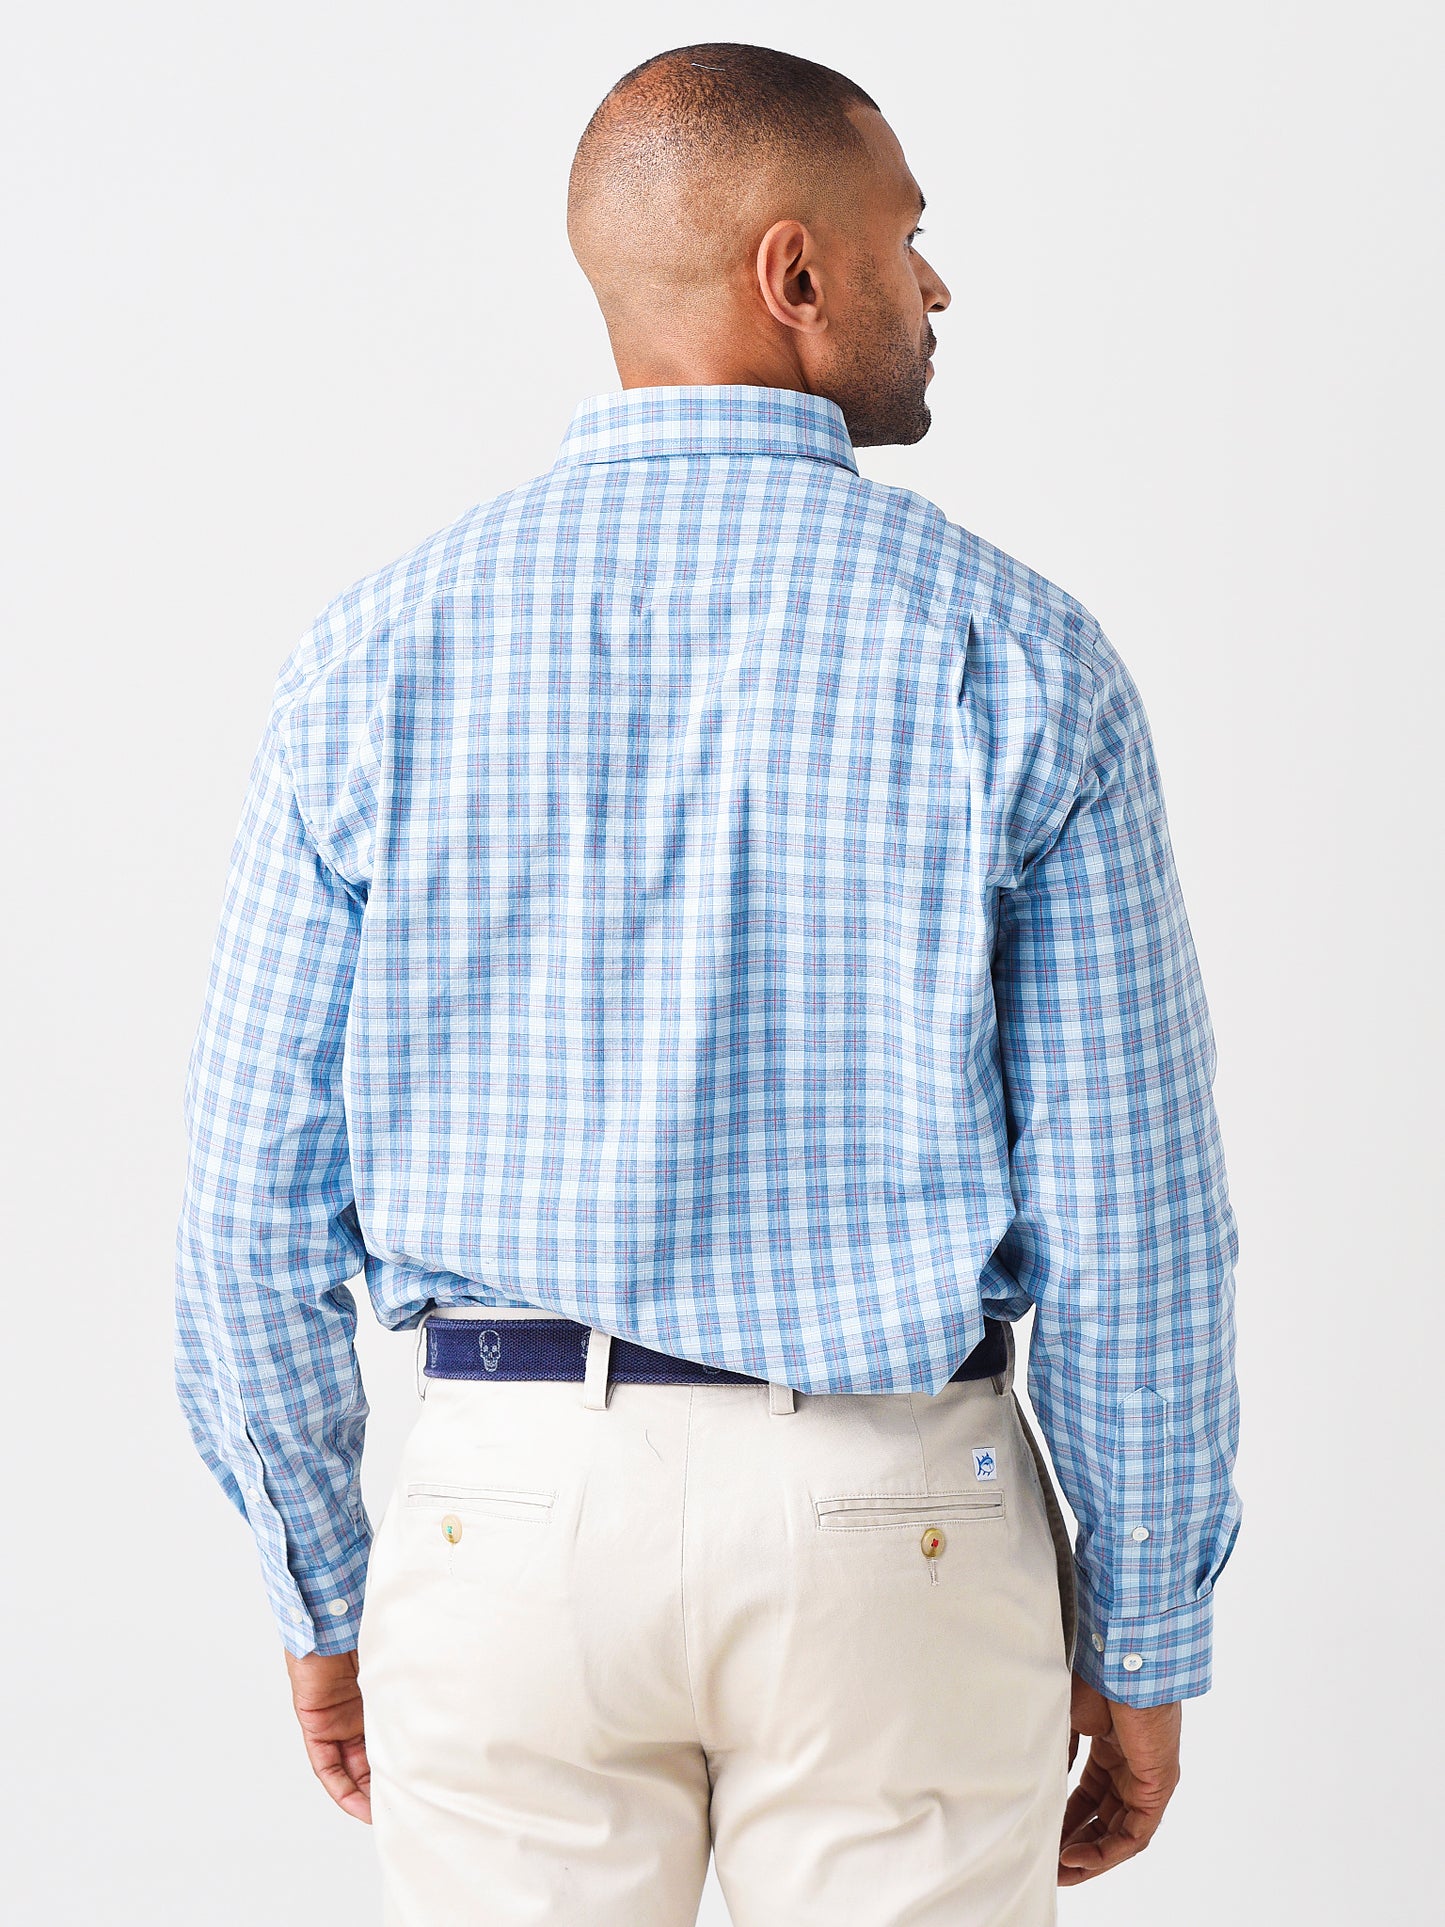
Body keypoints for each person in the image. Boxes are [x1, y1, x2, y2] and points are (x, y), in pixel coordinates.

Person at [174, 40, 1242, 1927]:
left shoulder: (375, 653)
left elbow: (242, 1206)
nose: (934, 284)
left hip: (506, 1517)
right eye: (904, 238)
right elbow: (1132, 1218)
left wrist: (322, 1587)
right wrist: (1146, 1633)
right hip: (894, 1522)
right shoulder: (1016, 655)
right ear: (793, 272)